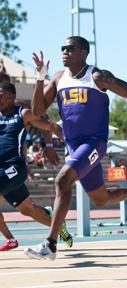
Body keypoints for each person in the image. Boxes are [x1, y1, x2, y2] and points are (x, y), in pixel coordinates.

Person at [25, 36, 127, 261]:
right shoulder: (57, 79)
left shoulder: (97, 77)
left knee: (62, 181)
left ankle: (50, 244)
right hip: (73, 147)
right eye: (62, 48)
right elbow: (36, 112)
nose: (65, 52)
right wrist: (40, 77)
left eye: (70, 48)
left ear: (83, 52)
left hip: (94, 142)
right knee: (100, 199)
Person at [0, 82, 73, 251]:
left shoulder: (22, 114)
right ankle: (58, 226)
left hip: (14, 168)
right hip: (2, 171)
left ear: (12, 97)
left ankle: (11, 239)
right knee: (28, 210)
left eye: (2, 95)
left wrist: (51, 147)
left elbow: (50, 125)